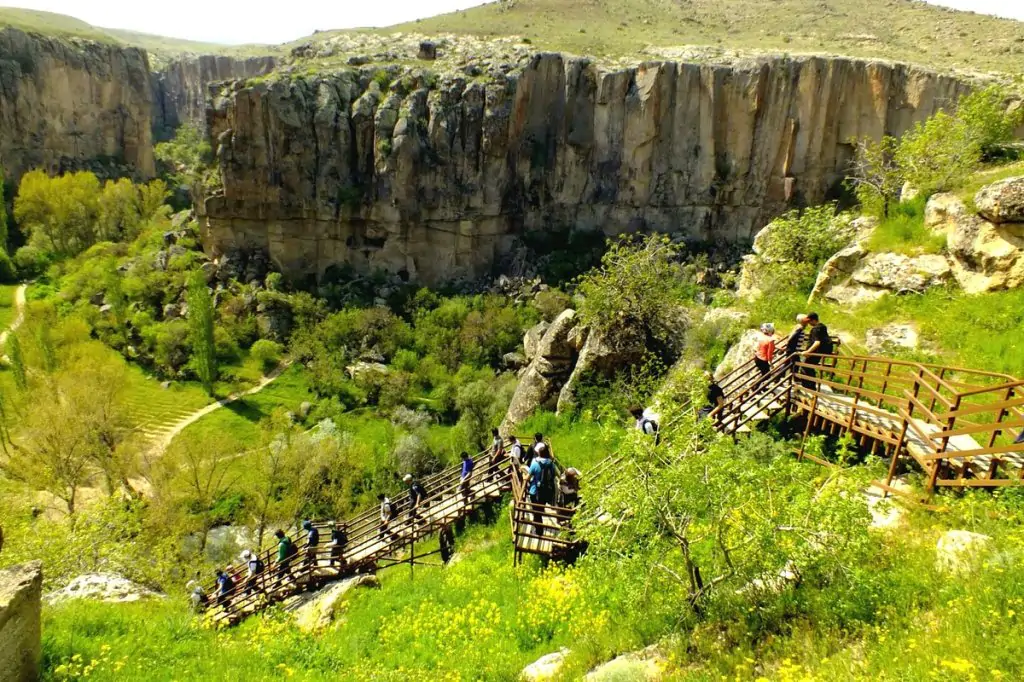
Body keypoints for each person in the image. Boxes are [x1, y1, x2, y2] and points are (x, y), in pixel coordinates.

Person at [528, 443, 557, 536]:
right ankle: (537, 525)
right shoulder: (550, 463)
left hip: (535, 491)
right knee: (540, 508)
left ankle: (539, 532)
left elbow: (528, 477)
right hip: (546, 491)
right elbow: (554, 474)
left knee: (536, 511)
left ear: (539, 453)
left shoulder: (534, 462)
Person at [800, 312, 834, 386]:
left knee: (806, 367)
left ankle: (809, 387)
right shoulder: (822, 326)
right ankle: (810, 386)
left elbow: (817, 342)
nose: (808, 323)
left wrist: (808, 352)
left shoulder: (816, 329)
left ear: (814, 320)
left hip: (815, 352)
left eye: (809, 321)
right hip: (819, 352)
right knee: (808, 367)